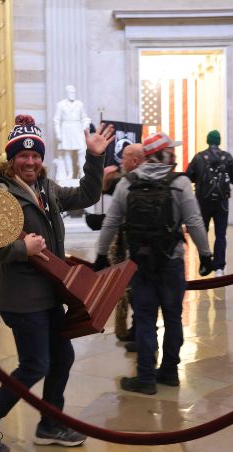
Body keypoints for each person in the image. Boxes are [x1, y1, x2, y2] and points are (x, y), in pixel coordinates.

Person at [0, 114, 115, 452]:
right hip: (21, 296)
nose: (30, 161)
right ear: (11, 159)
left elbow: (88, 194)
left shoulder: (46, 188)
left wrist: (94, 157)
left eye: (35, 155)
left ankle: (50, 424)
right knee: (35, 364)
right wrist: (21, 248)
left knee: (62, 356)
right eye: (22, 155)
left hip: (48, 292)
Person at [93, 132, 212, 395]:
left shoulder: (128, 183)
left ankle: (145, 377)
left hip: (140, 262)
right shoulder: (180, 183)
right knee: (172, 317)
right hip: (171, 260)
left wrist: (101, 254)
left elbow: (112, 221)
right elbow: (194, 222)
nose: (176, 154)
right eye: (173, 150)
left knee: (145, 318)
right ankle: (169, 371)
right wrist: (206, 255)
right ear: (166, 154)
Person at [101, 142, 145, 347]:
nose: (121, 159)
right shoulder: (127, 179)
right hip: (133, 245)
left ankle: (138, 334)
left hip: (133, 247)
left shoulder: (129, 180)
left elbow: (113, 217)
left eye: (125, 156)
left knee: (134, 290)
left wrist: (101, 252)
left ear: (135, 160)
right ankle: (134, 331)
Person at [185, 130, 233, 277]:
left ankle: (205, 263)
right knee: (220, 234)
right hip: (222, 203)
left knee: (201, 233)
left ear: (208, 141)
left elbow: (187, 177)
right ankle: (219, 268)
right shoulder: (227, 157)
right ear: (219, 141)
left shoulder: (199, 157)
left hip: (203, 202)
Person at [53, 85, 91, 180]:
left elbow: (84, 117)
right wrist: (58, 133)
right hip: (66, 129)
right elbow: (56, 120)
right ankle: (69, 173)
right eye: (70, 92)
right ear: (67, 93)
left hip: (77, 129)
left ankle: (82, 172)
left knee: (81, 151)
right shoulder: (60, 104)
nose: (72, 94)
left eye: (74, 92)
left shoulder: (80, 104)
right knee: (67, 152)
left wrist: (86, 124)